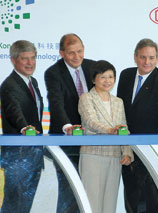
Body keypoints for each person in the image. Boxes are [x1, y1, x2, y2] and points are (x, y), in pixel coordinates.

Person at [117, 38, 158, 213]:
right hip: (127, 147)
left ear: (157, 59)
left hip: (151, 149)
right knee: (131, 196)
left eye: (151, 58)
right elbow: (120, 108)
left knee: (151, 199)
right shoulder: (125, 75)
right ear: (135, 57)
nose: (147, 62)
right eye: (143, 57)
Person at [44, 33, 95, 212]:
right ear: (62, 53)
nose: (76, 57)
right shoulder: (53, 73)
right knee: (69, 193)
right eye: (71, 53)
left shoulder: (93, 67)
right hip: (68, 144)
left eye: (79, 51)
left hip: (94, 142)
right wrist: (67, 127)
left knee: (90, 193)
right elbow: (56, 103)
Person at [78, 60, 134, 213]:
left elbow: (123, 127)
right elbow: (90, 122)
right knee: (91, 204)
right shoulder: (86, 98)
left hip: (115, 156)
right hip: (92, 155)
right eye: (102, 77)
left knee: (109, 205)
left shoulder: (118, 102)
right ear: (93, 79)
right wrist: (110, 130)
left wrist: (127, 152)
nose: (107, 81)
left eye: (110, 77)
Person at [0, 40, 44, 212]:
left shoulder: (33, 81)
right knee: (14, 205)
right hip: (17, 158)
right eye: (25, 58)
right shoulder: (9, 85)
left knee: (25, 205)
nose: (30, 63)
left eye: (33, 58)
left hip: (33, 154)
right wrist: (24, 127)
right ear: (13, 60)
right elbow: (13, 111)